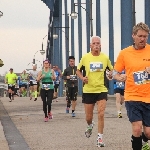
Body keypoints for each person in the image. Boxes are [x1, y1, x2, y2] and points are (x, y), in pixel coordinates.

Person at [113, 22, 150, 150]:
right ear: (133, 36)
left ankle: (145, 139)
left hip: (149, 97)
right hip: (132, 96)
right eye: (140, 36)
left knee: (148, 132)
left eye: (145, 36)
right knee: (137, 128)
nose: (142, 39)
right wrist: (119, 77)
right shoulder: (125, 53)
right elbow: (114, 72)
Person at [76, 36, 113, 147]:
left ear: (100, 45)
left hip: (101, 89)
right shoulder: (85, 57)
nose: (96, 45)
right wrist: (82, 78)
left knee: (101, 113)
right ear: (90, 45)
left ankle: (100, 138)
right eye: (94, 43)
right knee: (88, 117)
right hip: (88, 90)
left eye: (98, 43)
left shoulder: (105, 58)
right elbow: (78, 70)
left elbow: (111, 70)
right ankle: (90, 125)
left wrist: (111, 74)